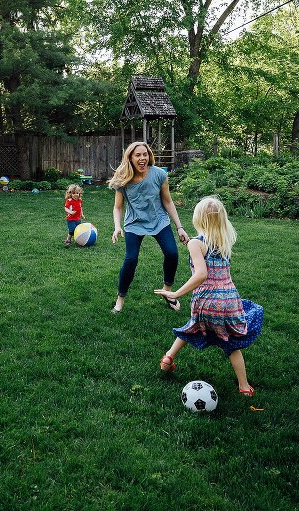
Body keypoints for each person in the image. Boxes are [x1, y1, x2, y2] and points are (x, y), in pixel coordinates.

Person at [154, 196, 263, 396]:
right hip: (228, 300)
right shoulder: (223, 241)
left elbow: (201, 274)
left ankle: (167, 359)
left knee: (193, 326)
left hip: (205, 300)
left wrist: (176, 293)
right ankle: (244, 387)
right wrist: (191, 244)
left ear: (198, 218)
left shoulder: (196, 243)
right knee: (231, 343)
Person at [108, 141, 190, 313]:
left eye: (145, 154)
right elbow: (117, 207)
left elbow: (167, 201)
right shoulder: (123, 179)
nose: (142, 158)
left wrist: (180, 227)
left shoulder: (159, 174)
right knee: (131, 259)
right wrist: (117, 226)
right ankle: (120, 299)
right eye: (138, 155)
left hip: (159, 220)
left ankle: (167, 293)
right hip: (134, 223)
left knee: (172, 253)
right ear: (130, 157)